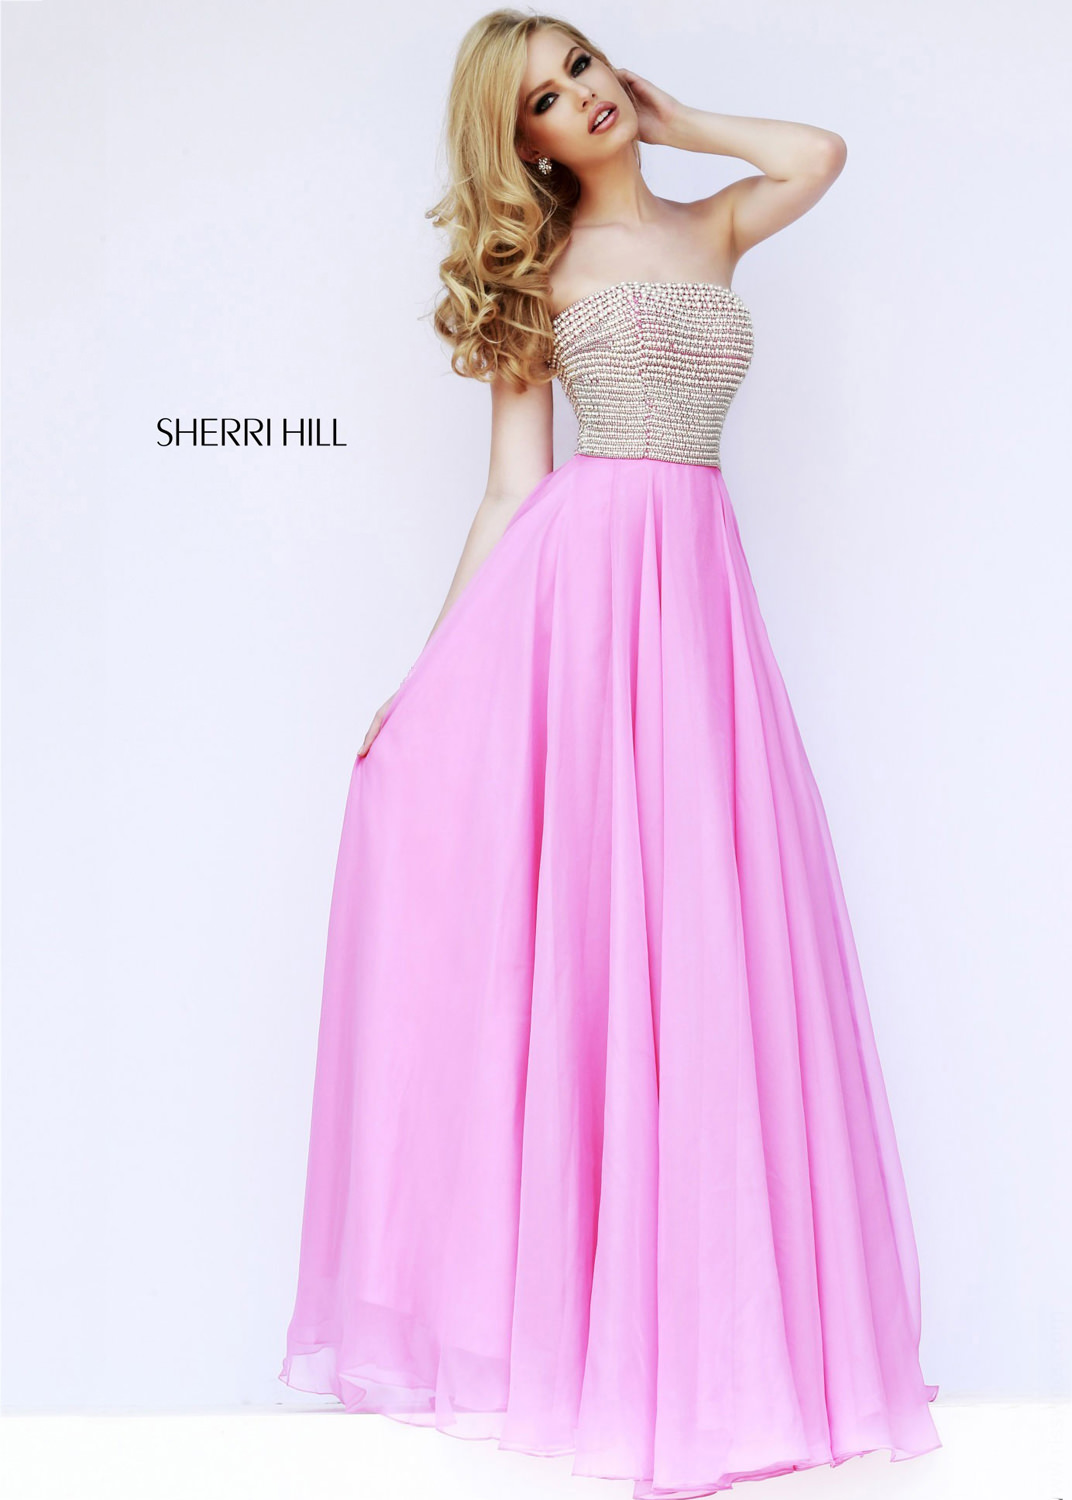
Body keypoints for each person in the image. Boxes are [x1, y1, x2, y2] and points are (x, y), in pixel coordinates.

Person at [279, 11, 942, 1497]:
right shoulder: (542, 272)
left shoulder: (714, 227)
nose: (578, 98)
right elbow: (513, 490)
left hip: (700, 603)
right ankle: (601, 1349)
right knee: (608, 933)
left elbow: (820, 153)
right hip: (592, 606)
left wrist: (678, 116)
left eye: (581, 65)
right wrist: (428, 671)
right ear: (519, 143)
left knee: (708, 928)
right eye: (545, 99)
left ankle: (718, 1350)